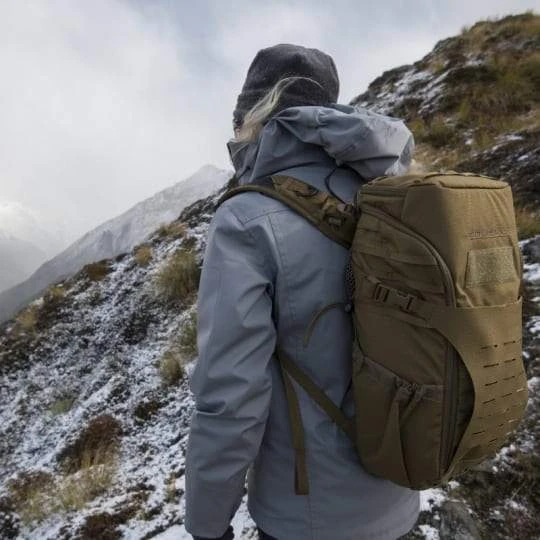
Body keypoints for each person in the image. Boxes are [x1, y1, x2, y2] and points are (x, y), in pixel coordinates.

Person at [185, 44, 420, 540]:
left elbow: (231, 396)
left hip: (307, 515)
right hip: (399, 490)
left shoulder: (246, 218)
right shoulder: (389, 195)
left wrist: (207, 524)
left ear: (251, 116)